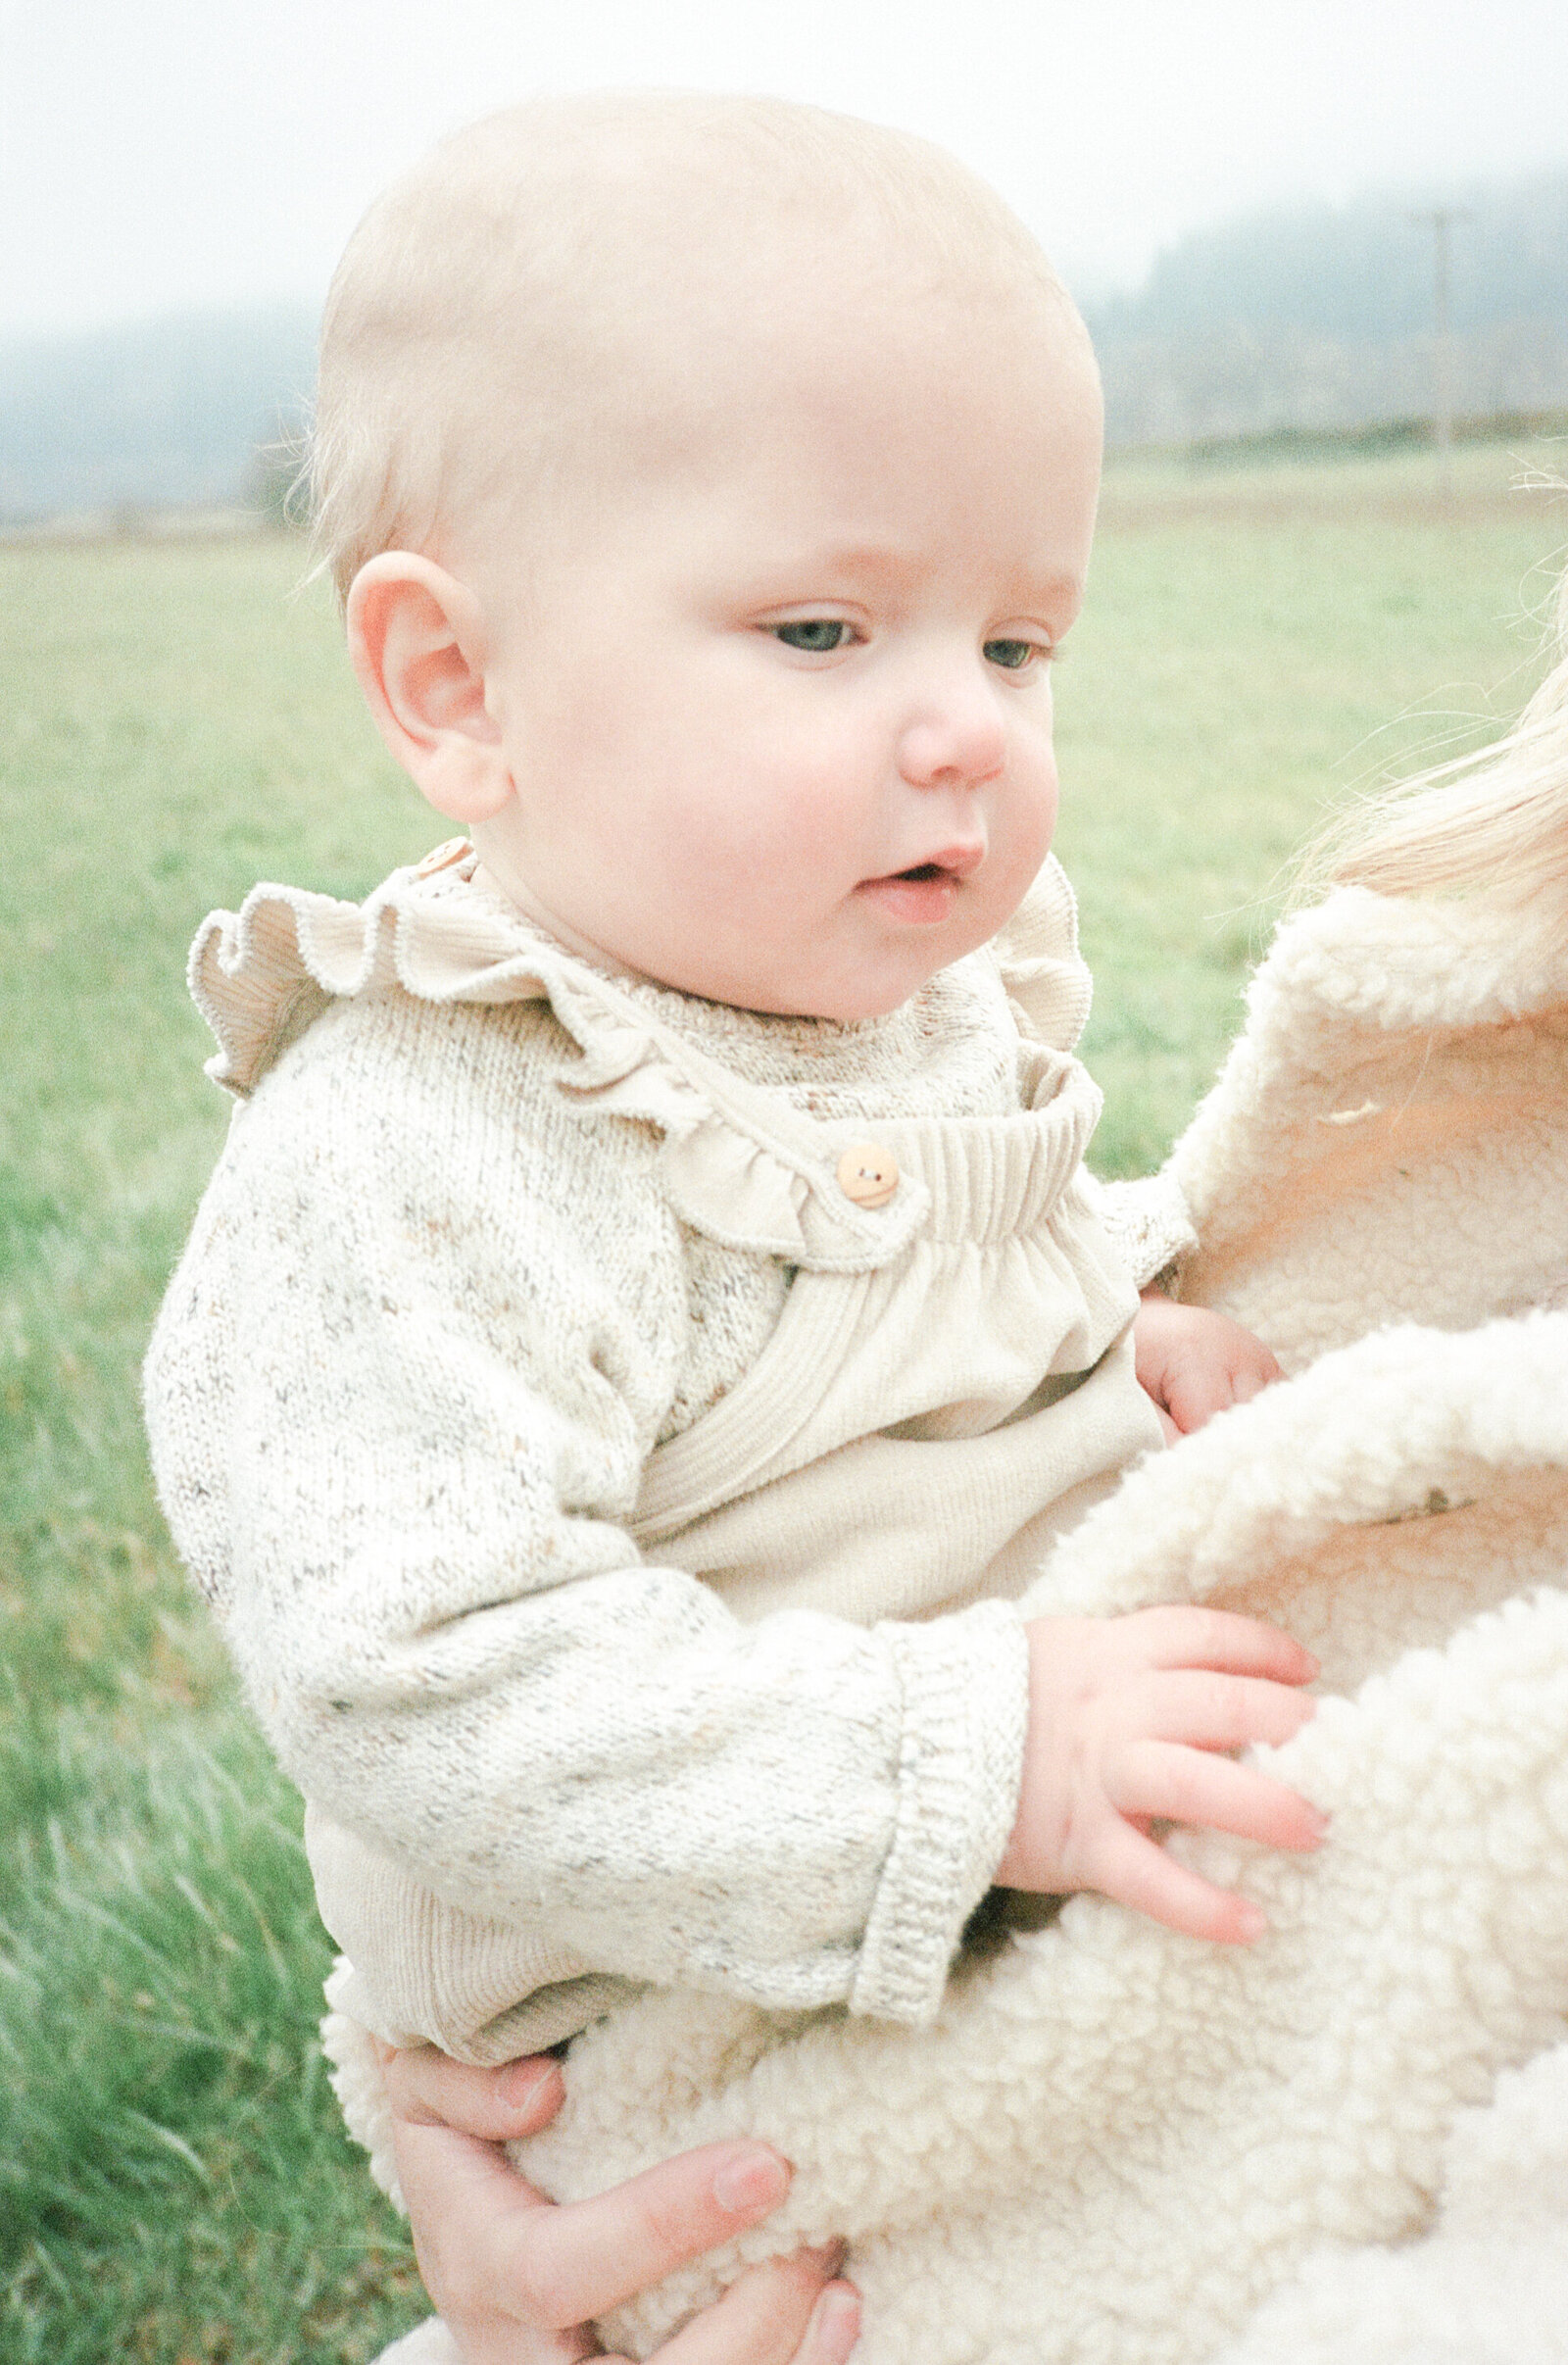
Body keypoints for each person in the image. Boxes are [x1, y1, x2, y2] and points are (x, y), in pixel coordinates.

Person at [143, 94, 1323, 2354]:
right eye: (820, 626)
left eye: (1014, 645)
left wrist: (1106, 1308)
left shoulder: (872, 981)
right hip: (689, 2033)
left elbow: (940, 1244)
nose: (964, 731)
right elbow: (421, 1668)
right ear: (457, 687)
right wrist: (972, 1764)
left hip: (990, 1850)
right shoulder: (419, 1145)